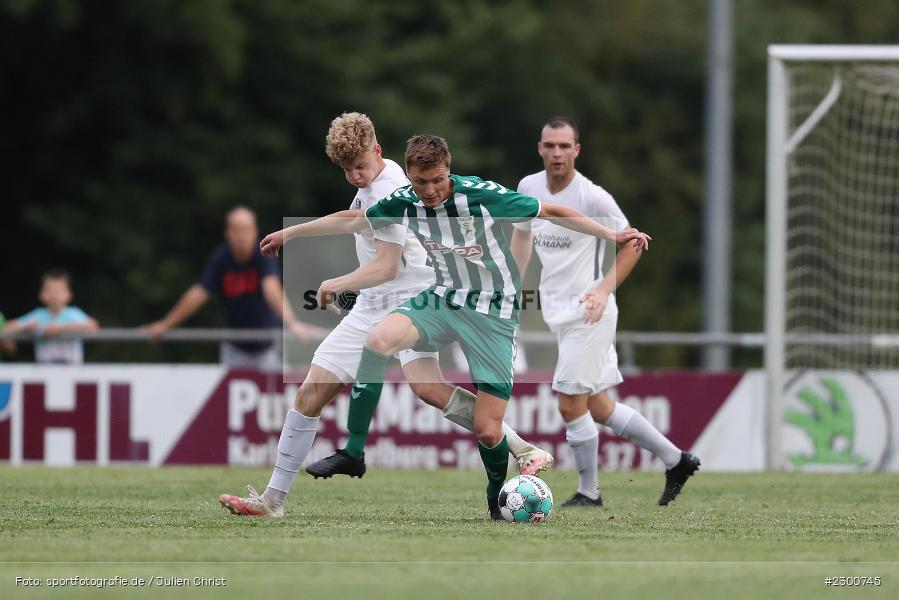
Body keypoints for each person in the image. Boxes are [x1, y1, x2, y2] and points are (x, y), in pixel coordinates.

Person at [289, 133, 649, 520]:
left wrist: (612, 234)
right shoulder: (405, 199)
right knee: (377, 341)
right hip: (442, 298)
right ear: (409, 176)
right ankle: (354, 452)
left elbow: (550, 212)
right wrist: (289, 233)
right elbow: (355, 219)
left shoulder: (481, 195)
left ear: (449, 170)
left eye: (437, 180)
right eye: (420, 182)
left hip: (493, 313)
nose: (429, 191)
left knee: (489, 431)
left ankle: (497, 499)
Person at [218, 113, 552, 518]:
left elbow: (387, 266)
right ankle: (272, 501)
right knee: (321, 392)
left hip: (410, 299)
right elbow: (351, 219)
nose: (356, 176)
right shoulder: (384, 172)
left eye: (360, 165)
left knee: (415, 388)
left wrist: (337, 283)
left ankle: (515, 447)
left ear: (376, 150)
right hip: (375, 304)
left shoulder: (393, 186)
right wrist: (293, 233)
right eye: (347, 170)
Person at [511, 116, 700, 507]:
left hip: (591, 315)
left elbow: (633, 243)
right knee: (597, 405)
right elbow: (522, 235)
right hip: (559, 315)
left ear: (577, 150)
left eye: (565, 146)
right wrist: (514, 281)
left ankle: (589, 492)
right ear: (540, 149)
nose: (557, 153)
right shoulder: (528, 187)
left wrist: (601, 289)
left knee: (567, 400)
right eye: (550, 145)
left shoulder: (593, 197)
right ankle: (677, 459)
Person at [144, 206, 317, 370]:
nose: (241, 236)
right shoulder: (221, 259)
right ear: (228, 233)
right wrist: (166, 325)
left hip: (269, 348)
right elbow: (197, 295)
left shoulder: (263, 254)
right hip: (235, 349)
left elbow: (271, 288)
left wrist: (291, 323)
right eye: (237, 230)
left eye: (246, 230)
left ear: (255, 232)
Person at [1, 269, 99, 364]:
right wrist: (26, 327)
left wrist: (60, 329)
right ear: (42, 294)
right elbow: (7, 327)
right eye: (50, 291)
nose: (54, 295)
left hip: (71, 372)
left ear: (68, 294)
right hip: (45, 371)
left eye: (58, 291)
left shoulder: (74, 314)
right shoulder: (38, 315)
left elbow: (93, 327)